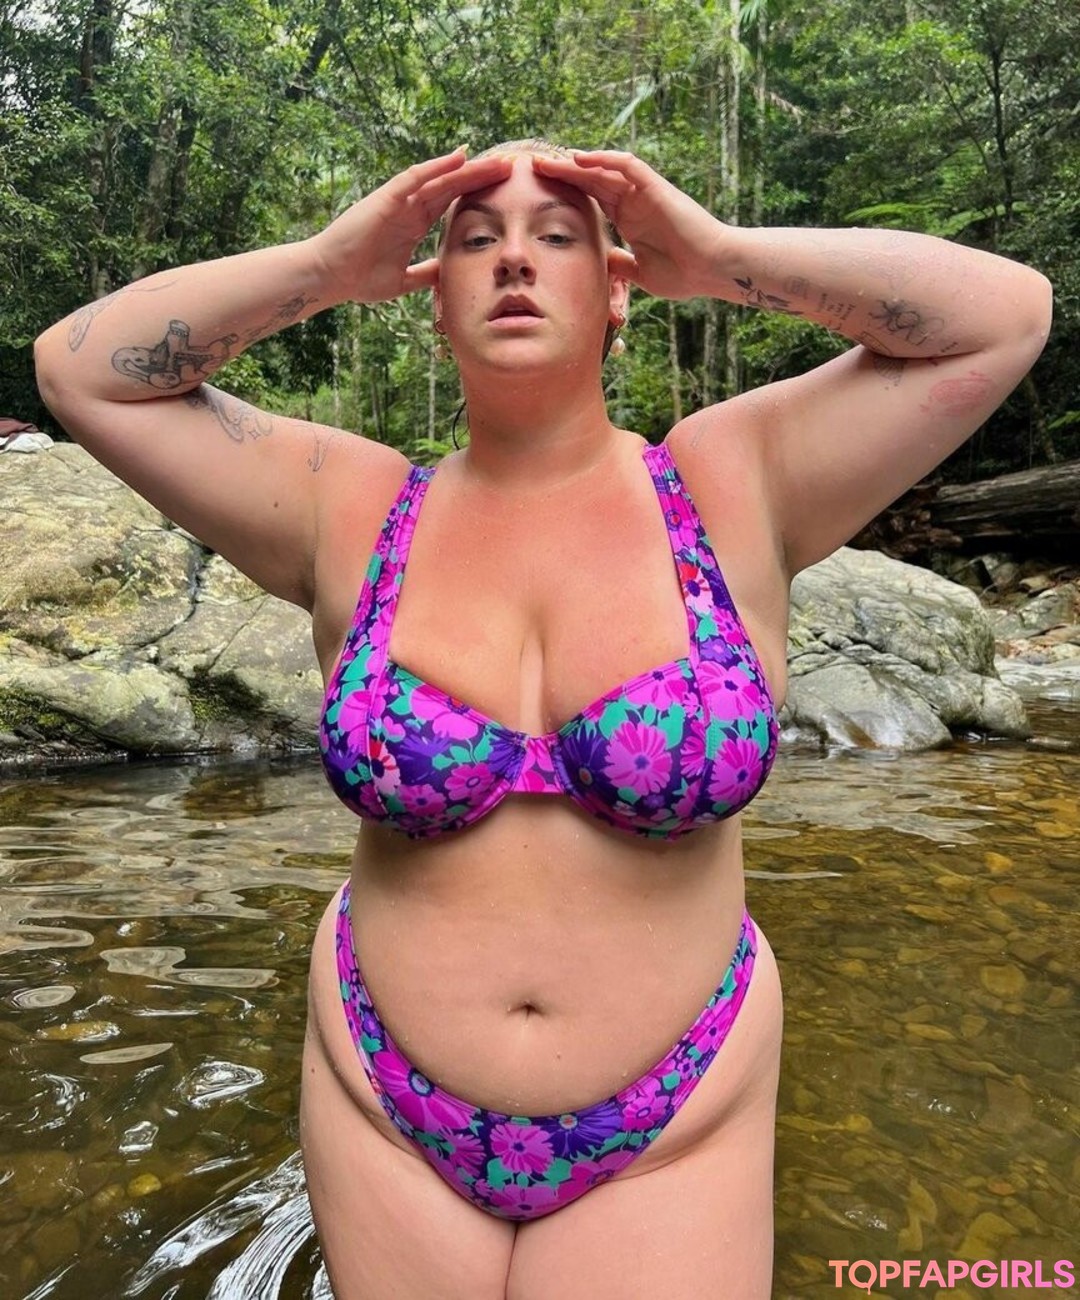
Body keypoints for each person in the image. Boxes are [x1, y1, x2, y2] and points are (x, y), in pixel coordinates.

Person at [33, 140, 1052, 1299]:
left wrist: (720, 255)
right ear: (434, 301)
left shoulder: (733, 480)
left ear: (619, 288)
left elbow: (1005, 317)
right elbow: (80, 371)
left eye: (558, 236)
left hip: (677, 1121)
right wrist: (323, 267)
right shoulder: (350, 504)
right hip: (385, 1106)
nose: (515, 258)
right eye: (476, 240)